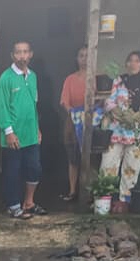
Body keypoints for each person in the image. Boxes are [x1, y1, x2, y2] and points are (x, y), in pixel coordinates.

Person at [100, 52, 140, 207]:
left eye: (137, 61)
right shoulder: (119, 81)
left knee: (131, 168)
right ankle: (105, 200)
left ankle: (124, 202)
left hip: (137, 132)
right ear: (126, 64)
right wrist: (122, 115)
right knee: (108, 165)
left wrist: (134, 117)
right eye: (130, 60)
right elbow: (109, 102)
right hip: (117, 130)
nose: (133, 64)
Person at [0, 40, 45, 219]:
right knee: (13, 172)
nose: (22, 56)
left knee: (34, 168)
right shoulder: (6, 78)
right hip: (13, 135)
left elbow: (34, 105)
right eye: (18, 52)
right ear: (12, 55)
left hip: (31, 133)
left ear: (30, 54)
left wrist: (37, 129)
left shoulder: (33, 76)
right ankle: (14, 206)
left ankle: (29, 202)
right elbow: (2, 107)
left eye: (25, 52)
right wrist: (8, 132)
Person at [59, 46, 89, 202]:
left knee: (91, 157)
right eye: (81, 55)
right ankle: (72, 191)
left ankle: (89, 190)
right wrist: (75, 113)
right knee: (73, 158)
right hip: (73, 122)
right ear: (76, 59)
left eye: (87, 55)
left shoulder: (97, 78)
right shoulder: (70, 79)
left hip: (92, 122)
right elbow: (64, 101)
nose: (84, 59)